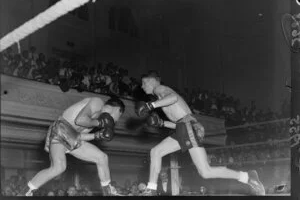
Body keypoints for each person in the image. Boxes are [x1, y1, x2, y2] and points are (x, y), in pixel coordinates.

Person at [136, 71, 265, 196]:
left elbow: (174, 98)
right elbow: (179, 122)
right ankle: (151, 189)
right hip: (183, 127)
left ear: (152, 80)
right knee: (156, 152)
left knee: (205, 171)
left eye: (144, 82)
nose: (142, 86)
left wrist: (150, 105)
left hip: (187, 127)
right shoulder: (161, 96)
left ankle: (247, 177)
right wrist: (161, 123)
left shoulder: (160, 89)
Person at [18, 97, 125, 196]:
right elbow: (80, 120)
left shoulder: (96, 119)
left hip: (70, 136)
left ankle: (108, 191)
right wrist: (99, 123)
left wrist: (97, 135)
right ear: (117, 110)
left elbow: (78, 136)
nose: (116, 121)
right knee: (58, 167)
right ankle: (27, 191)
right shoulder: (98, 103)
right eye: (119, 117)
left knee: (102, 158)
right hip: (61, 129)